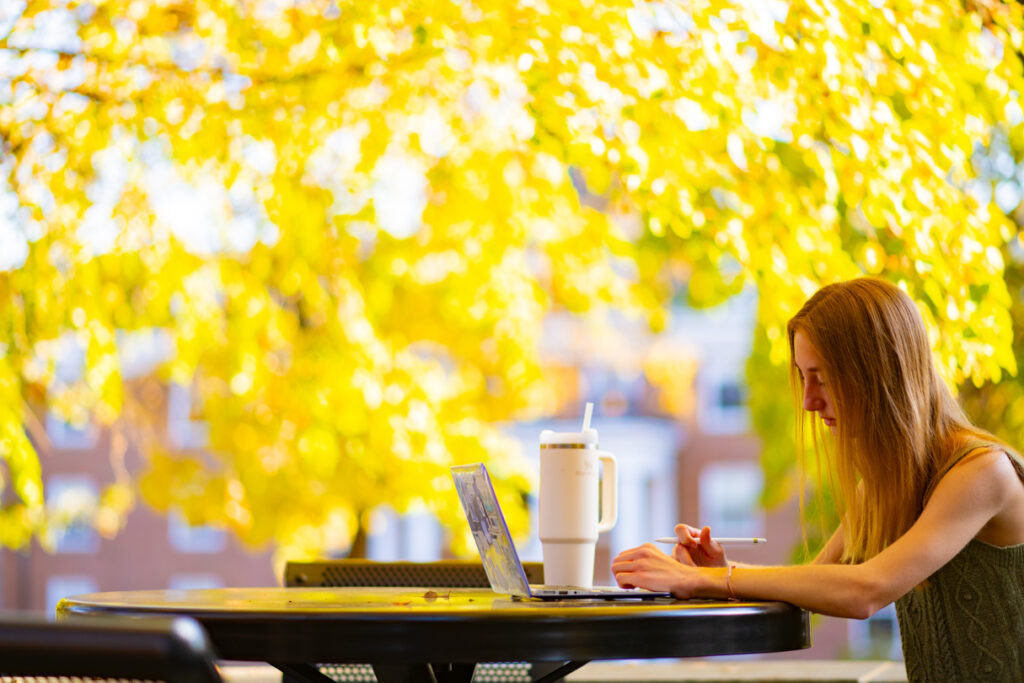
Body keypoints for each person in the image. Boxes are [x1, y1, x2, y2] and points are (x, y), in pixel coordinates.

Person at [611, 277, 1024, 682]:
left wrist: (698, 579)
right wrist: (718, 570)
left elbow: (865, 590)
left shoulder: (980, 472)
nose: (809, 401)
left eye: (822, 378)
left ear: (881, 371)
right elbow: (820, 580)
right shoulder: (885, 485)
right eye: (803, 377)